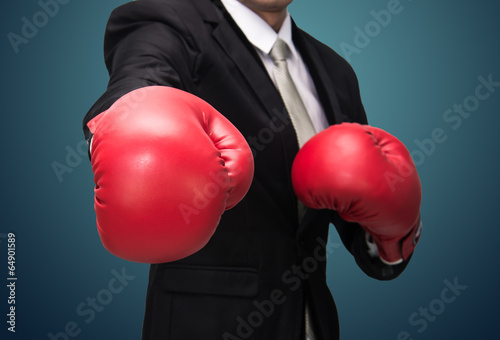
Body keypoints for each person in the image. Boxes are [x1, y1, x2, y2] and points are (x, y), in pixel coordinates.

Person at [82, 0, 422, 339]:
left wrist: (395, 227)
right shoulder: (169, 23)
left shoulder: (336, 71)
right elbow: (141, 78)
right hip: (208, 326)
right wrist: (130, 128)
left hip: (313, 323)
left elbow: (361, 218)